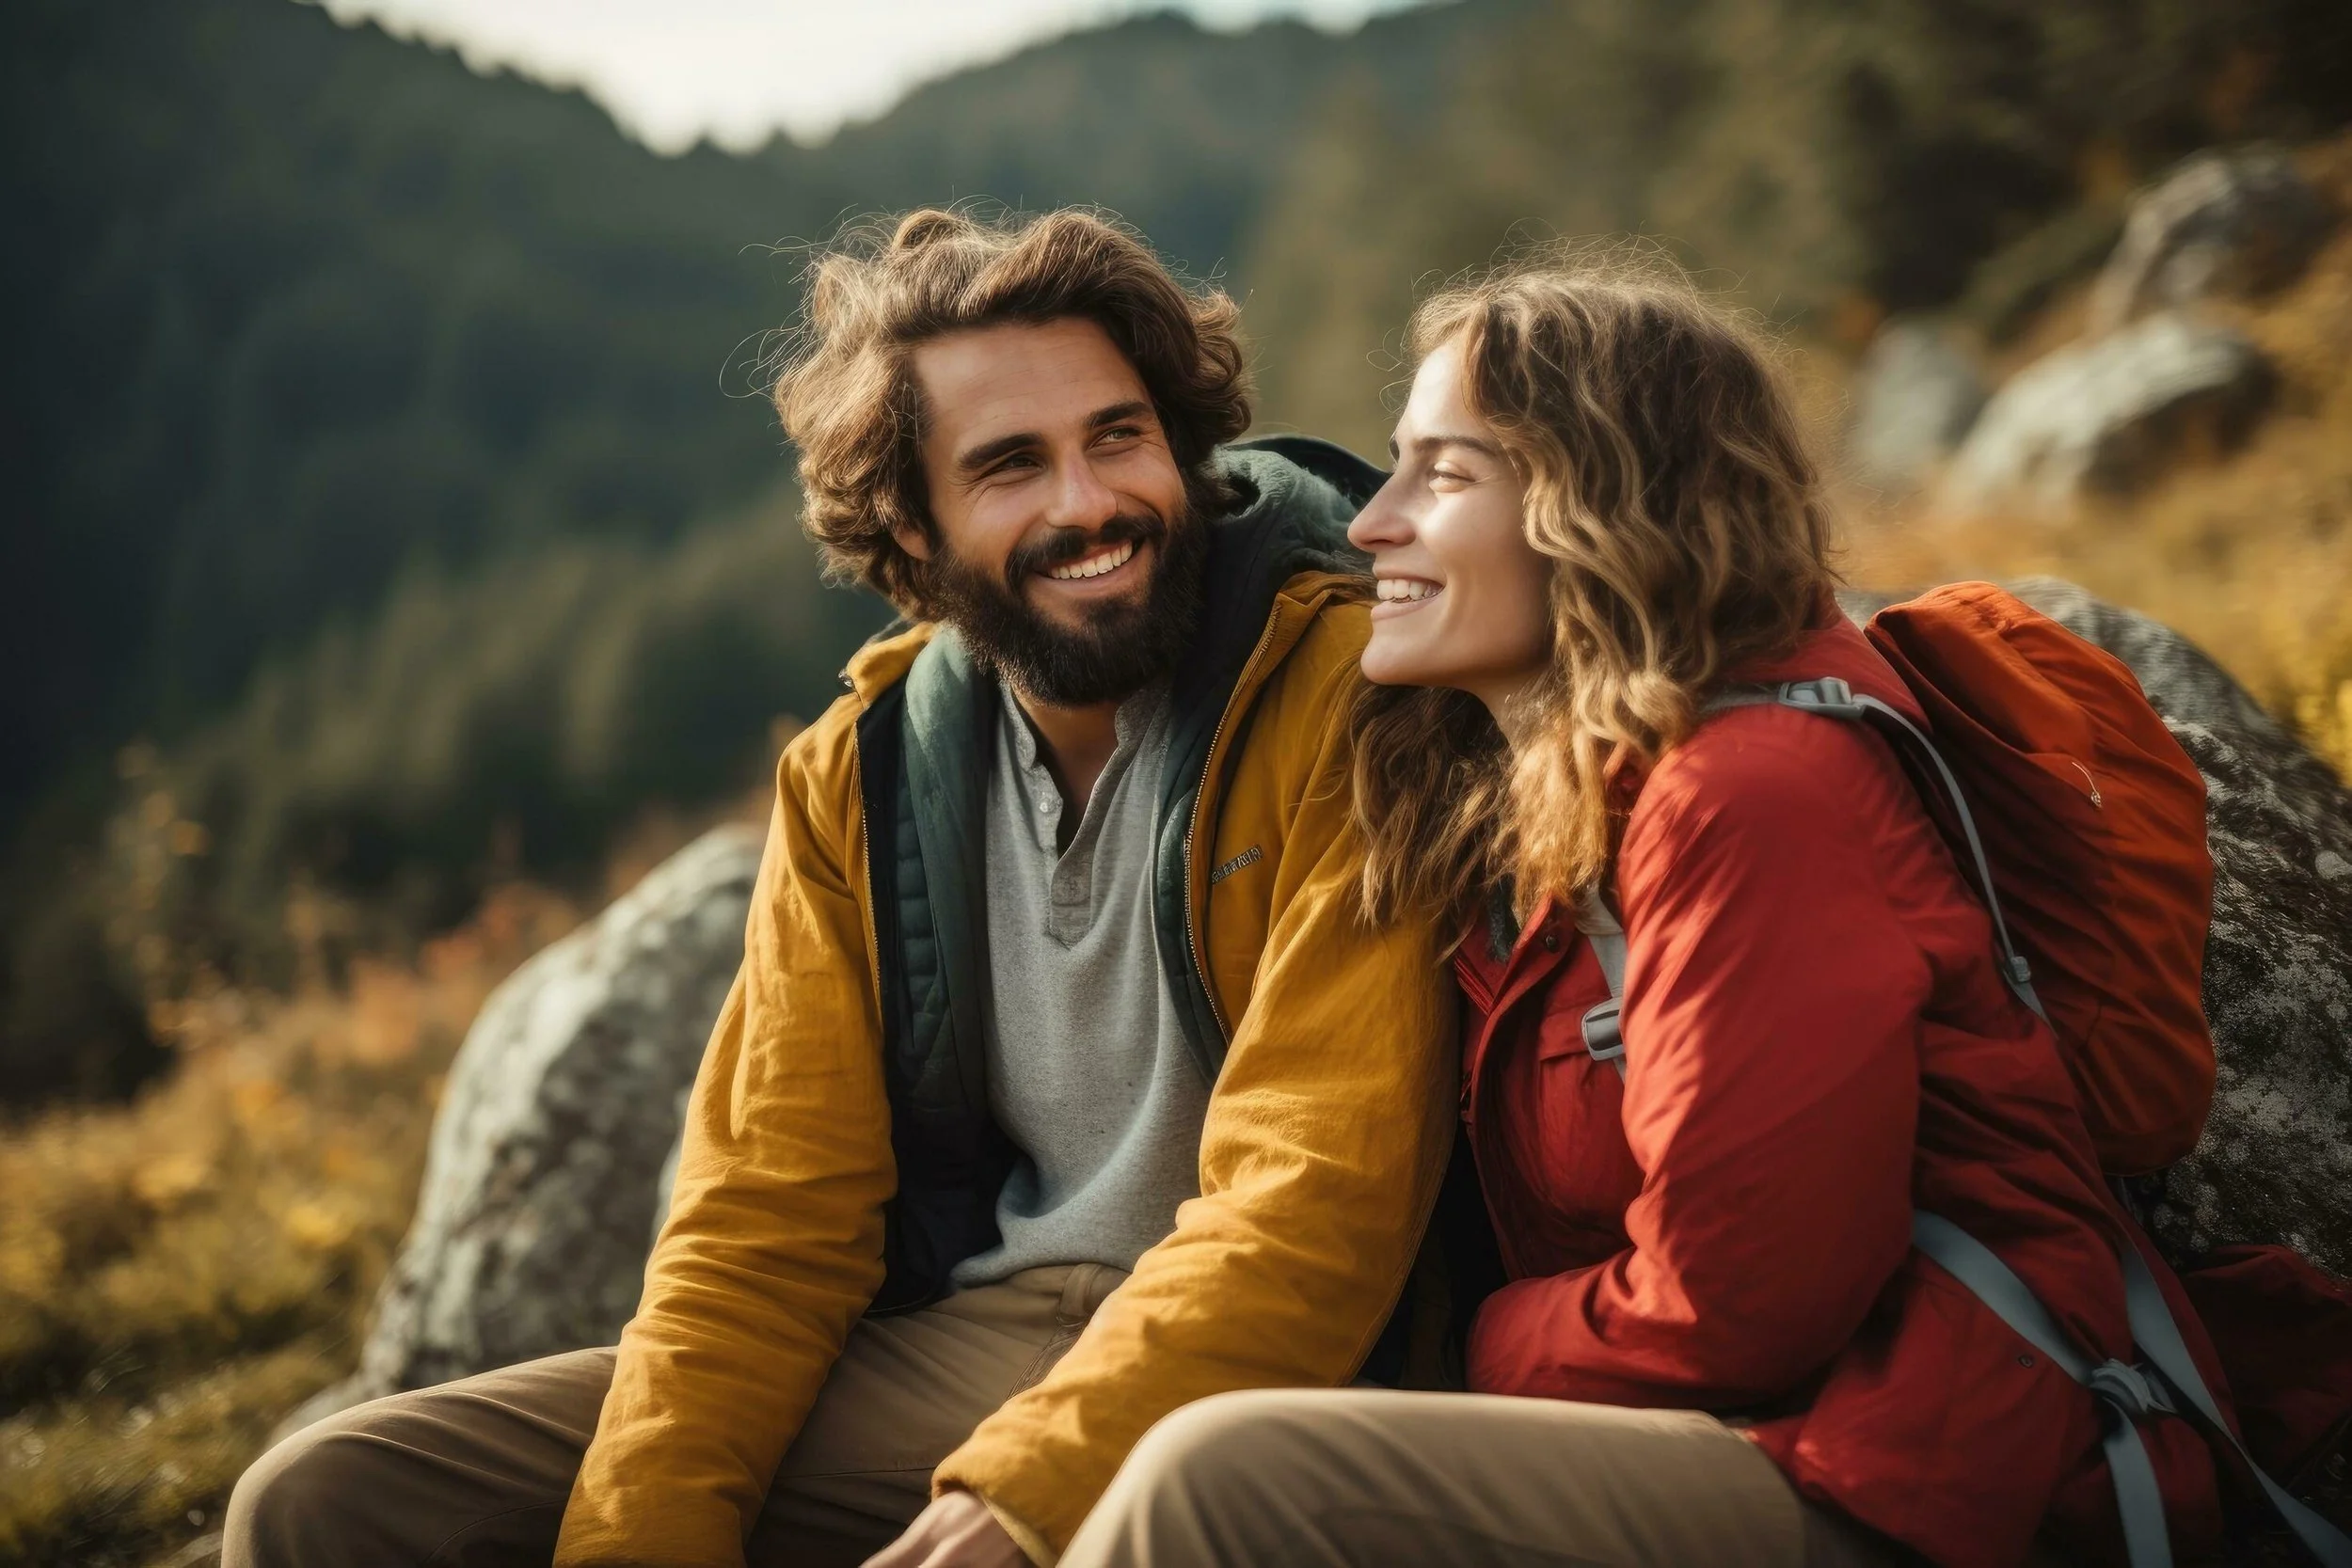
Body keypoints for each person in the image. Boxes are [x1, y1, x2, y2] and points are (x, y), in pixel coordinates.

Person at [224, 207, 1454, 1568]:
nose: (1088, 503)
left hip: (1265, 1360)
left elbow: (1317, 1201)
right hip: (968, 1341)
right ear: (912, 538)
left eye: (1119, 434)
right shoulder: (856, 777)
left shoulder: (1348, 692)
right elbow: (761, 1221)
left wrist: (1016, 1501)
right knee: (327, 1500)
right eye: (1008, 467)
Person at [1056, 256, 2237, 1568]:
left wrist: (1475, 1345)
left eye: (1442, 474)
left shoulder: (1751, 795)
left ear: (1601, 504)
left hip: (1918, 1475)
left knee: (1226, 1482)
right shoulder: (1543, 809)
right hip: (1743, 1433)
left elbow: (1744, 1300)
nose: (1374, 521)